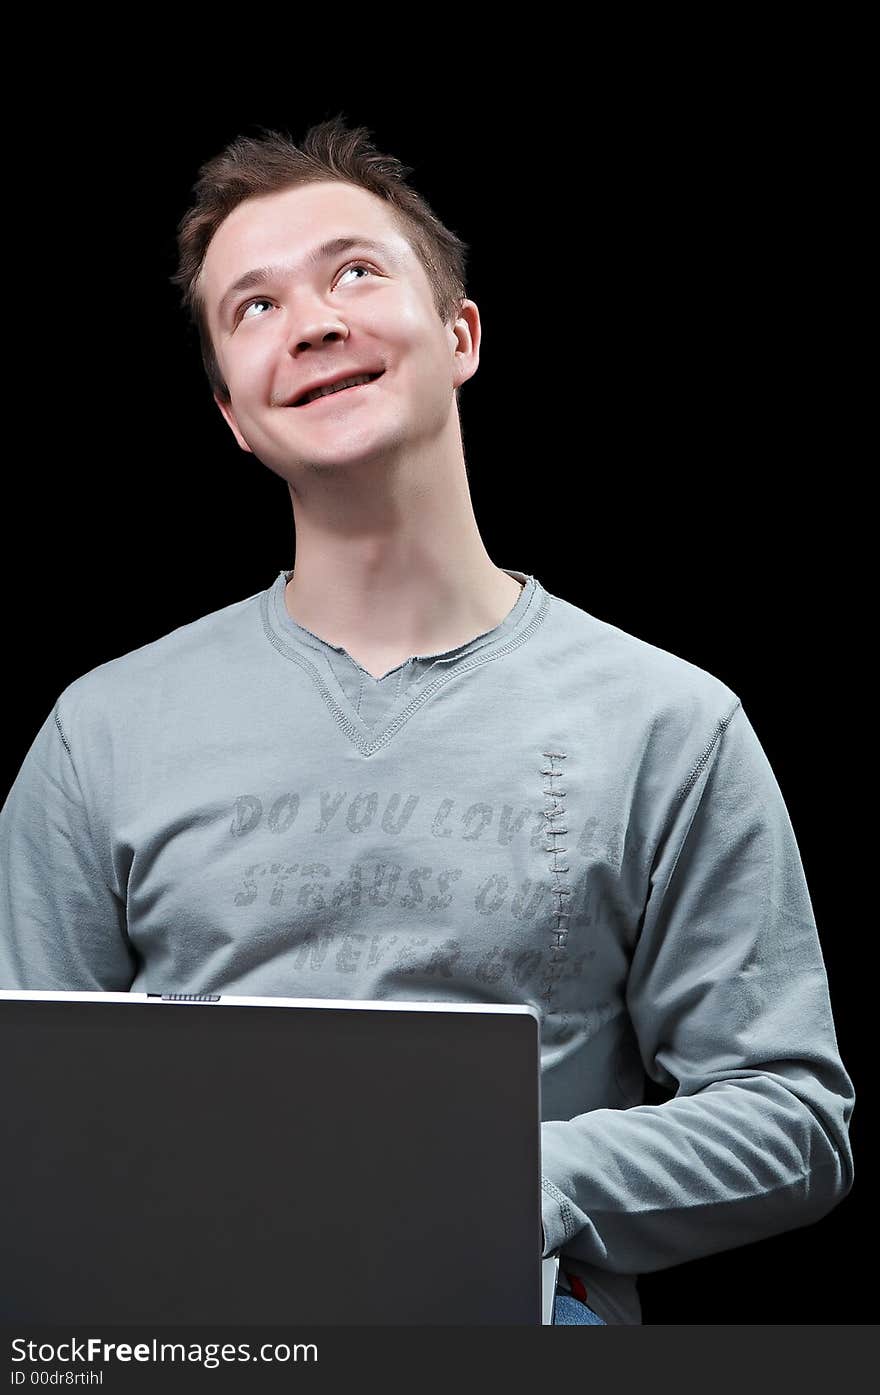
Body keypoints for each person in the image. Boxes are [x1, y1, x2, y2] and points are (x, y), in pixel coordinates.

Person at [0, 116, 855, 1326]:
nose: (311, 322)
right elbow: (24, 1120)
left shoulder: (672, 724)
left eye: (354, 270)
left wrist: (514, 1182)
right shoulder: (100, 733)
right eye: (252, 307)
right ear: (235, 418)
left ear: (459, 334)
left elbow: (791, 1117)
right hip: (190, 1340)